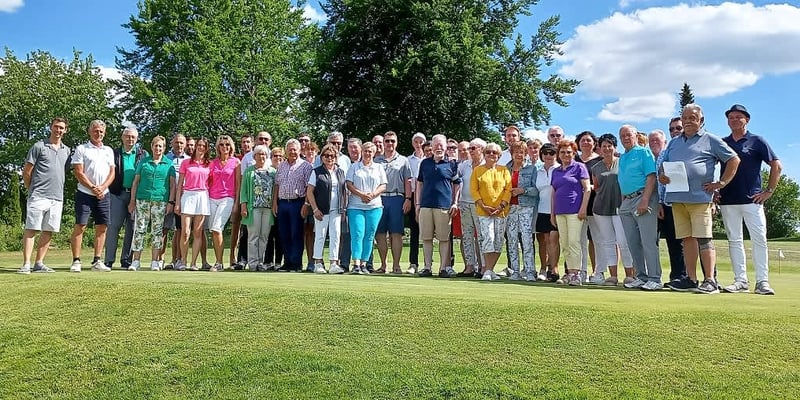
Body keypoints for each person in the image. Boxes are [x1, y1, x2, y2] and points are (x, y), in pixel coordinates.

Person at [659, 104, 740, 294]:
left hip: (700, 198)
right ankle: (691, 279)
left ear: (701, 120)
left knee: (704, 238)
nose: (688, 121)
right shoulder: (674, 142)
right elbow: (665, 165)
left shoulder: (710, 140)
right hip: (678, 198)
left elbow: (734, 159)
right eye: (685, 117)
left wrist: (721, 183)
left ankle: (710, 280)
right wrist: (663, 175)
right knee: (686, 239)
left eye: (692, 117)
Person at [718, 104, 781, 295]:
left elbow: (776, 166)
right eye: (731, 117)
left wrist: (768, 191)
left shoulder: (757, 141)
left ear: (747, 120)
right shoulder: (723, 142)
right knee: (734, 240)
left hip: (753, 200)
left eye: (739, 117)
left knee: (759, 239)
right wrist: (716, 188)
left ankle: (762, 281)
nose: (734, 120)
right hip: (728, 200)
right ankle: (740, 281)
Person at [18, 117, 71, 274]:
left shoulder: (67, 151)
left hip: (57, 197)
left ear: (65, 130)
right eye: (56, 127)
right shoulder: (38, 146)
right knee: (31, 228)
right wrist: (31, 189)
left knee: (48, 230)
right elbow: (27, 171)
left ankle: (39, 263)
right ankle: (26, 263)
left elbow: (63, 171)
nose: (58, 130)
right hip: (38, 195)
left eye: (61, 128)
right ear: (51, 127)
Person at [617, 125, 662, 290]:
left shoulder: (643, 152)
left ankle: (655, 279)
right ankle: (641, 277)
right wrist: (623, 202)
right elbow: (623, 181)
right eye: (622, 136)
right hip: (627, 202)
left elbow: (651, 176)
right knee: (632, 242)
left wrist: (645, 200)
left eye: (629, 135)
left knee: (648, 240)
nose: (626, 138)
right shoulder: (623, 157)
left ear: (635, 136)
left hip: (643, 198)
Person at [69, 120, 115, 272]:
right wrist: (93, 187)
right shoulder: (82, 148)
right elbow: (78, 171)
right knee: (80, 226)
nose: (98, 133)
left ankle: (97, 260)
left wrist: (102, 187)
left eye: (101, 131)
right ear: (89, 131)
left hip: (104, 194)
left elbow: (112, 173)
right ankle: (76, 261)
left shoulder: (108, 150)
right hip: (85, 193)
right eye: (95, 130)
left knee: (102, 227)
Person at [590, 134, 634, 286]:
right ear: (600, 149)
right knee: (608, 242)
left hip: (621, 208)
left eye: (610, 145)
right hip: (601, 209)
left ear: (615, 147)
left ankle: (630, 275)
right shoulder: (595, 168)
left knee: (623, 242)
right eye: (604, 146)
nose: (607, 148)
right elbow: (596, 187)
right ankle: (613, 276)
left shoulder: (623, 163)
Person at [127, 136, 176, 271]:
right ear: (152, 146)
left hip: (160, 200)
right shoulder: (144, 162)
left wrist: (171, 202)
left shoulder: (169, 164)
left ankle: (155, 261)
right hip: (142, 199)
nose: (158, 148)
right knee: (140, 229)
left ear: (164, 148)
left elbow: (172, 185)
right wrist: (132, 200)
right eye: (156, 146)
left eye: (160, 146)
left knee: (157, 231)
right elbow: (136, 182)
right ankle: (136, 261)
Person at [415, 134, 461, 277]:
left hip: (444, 206)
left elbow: (457, 185)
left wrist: (455, 203)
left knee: (443, 238)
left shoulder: (452, 164)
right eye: (436, 145)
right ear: (432, 147)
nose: (438, 148)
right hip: (426, 205)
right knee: (427, 238)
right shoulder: (425, 163)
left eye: (441, 145)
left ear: (446, 147)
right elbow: (419, 184)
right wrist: (417, 203)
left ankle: (443, 268)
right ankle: (427, 267)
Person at [104, 127, 148, 270]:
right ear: (122, 138)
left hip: (136, 196)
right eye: (127, 137)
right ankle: (109, 260)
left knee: (133, 228)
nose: (130, 140)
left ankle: (126, 260)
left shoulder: (143, 154)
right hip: (117, 193)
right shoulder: (114, 153)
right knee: (113, 227)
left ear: (137, 139)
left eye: (133, 137)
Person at [650, 124, 686, 288]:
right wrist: (660, 203)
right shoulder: (656, 158)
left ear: (664, 141)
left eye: (657, 140)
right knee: (672, 242)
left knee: (688, 241)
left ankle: (704, 276)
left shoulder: (673, 153)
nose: (653, 143)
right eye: (651, 140)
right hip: (664, 204)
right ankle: (677, 275)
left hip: (683, 202)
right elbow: (659, 185)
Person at [550, 139, 590, 285]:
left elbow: (587, 189)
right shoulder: (556, 171)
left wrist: (583, 208)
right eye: (562, 152)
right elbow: (553, 193)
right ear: (558, 154)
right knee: (565, 243)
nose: (566, 155)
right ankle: (568, 273)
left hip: (575, 211)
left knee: (574, 241)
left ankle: (576, 274)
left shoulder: (580, 167)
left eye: (569, 152)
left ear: (574, 153)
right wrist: (552, 213)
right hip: (560, 211)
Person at [470, 142, 511, 281]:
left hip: (501, 211)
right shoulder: (477, 170)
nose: (491, 154)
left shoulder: (504, 170)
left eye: (494, 152)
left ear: (499, 155)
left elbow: (508, 190)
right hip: (484, 211)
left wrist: (501, 206)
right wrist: (483, 206)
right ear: (484, 154)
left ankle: (490, 269)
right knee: (488, 238)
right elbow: (474, 190)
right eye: (488, 152)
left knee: (498, 241)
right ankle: (487, 270)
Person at [374, 131, 413, 274]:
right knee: (380, 233)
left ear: (396, 143)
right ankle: (383, 265)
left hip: (397, 197)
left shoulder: (403, 160)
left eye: (392, 141)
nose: (390, 144)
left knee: (396, 233)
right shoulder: (376, 160)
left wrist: (408, 199)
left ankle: (396, 265)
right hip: (379, 198)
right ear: (383, 143)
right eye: (387, 141)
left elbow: (408, 181)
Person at [346, 142, 387, 274]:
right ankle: (356, 264)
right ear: (361, 151)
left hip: (374, 206)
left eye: (370, 151)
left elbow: (383, 185)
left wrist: (373, 194)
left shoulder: (379, 167)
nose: (367, 153)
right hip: (356, 205)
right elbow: (349, 184)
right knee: (357, 233)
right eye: (365, 151)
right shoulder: (354, 167)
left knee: (369, 235)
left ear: (374, 153)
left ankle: (364, 264)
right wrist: (361, 194)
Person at [274, 138, 314, 271]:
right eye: (290, 149)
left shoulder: (306, 166)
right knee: (284, 233)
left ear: (299, 150)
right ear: (286, 151)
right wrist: (275, 203)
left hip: (298, 202)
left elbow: (309, 187)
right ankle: (288, 262)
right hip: (283, 203)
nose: (292, 152)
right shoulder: (281, 166)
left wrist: (306, 204)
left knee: (296, 233)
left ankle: (296, 263)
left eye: (295, 149)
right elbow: (277, 185)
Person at [306, 144, 347, 274]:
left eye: (332, 156)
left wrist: (344, 209)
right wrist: (315, 209)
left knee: (335, 236)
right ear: (322, 157)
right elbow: (309, 192)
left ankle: (334, 263)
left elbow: (344, 191)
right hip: (321, 210)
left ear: (336, 157)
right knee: (320, 236)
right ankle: (318, 263)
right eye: (327, 156)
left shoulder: (340, 172)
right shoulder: (316, 172)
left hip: (337, 209)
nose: (330, 158)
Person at [175, 138, 211, 271]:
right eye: (199, 145)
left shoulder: (209, 164)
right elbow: (180, 185)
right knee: (185, 232)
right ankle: (183, 260)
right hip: (188, 195)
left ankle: (193, 262)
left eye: (203, 146)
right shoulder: (186, 163)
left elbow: (212, 183)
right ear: (195, 147)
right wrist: (177, 202)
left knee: (198, 232)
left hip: (202, 196)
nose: (200, 148)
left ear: (206, 148)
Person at [505, 141, 538, 281]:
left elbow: (536, 190)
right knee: (511, 239)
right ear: (512, 154)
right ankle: (515, 271)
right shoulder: (505, 169)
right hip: (510, 208)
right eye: (516, 152)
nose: (519, 155)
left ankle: (530, 271)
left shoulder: (531, 169)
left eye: (522, 152)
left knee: (526, 239)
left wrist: (522, 191)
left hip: (526, 207)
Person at [240, 144, 276, 272]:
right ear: (254, 156)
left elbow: (275, 190)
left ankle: (261, 261)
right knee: (253, 235)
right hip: (253, 207)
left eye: (264, 154)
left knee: (264, 236)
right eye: (259, 154)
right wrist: (243, 205)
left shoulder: (272, 172)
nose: (262, 156)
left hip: (267, 208)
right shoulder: (249, 171)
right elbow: (243, 190)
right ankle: (252, 262)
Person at [208, 135, 241, 271]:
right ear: (218, 147)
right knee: (213, 230)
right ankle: (218, 260)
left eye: (227, 144)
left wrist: (236, 203)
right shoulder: (212, 163)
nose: (224, 147)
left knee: (217, 227)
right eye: (221, 144)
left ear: (231, 147)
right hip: (212, 198)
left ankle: (219, 262)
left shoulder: (236, 162)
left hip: (228, 197)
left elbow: (238, 184)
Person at [456, 138, 486, 277]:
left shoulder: (487, 165)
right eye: (470, 149)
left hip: (480, 205)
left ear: (481, 149)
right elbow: (456, 181)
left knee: (481, 236)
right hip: (465, 203)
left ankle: (483, 266)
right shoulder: (464, 165)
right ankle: (469, 266)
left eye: (473, 148)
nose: (470, 152)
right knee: (467, 235)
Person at [575, 130, 601, 282]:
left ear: (594, 143)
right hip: (577, 206)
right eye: (583, 140)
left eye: (589, 140)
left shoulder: (600, 159)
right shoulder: (575, 160)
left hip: (596, 204)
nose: (586, 143)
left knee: (597, 240)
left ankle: (598, 272)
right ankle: (582, 271)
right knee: (580, 240)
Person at [162, 134, 189, 269]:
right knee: (164, 229)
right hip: (166, 197)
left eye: (181, 143)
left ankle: (177, 259)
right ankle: (160, 259)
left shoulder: (189, 160)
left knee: (179, 230)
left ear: (185, 144)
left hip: (183, 199)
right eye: (177, 142)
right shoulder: (165, 158)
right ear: (172, 143)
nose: (179, 145)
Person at [535, 143, 560, 281]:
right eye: (545, 153)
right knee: (543, 241)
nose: (548, 156)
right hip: (541, 209)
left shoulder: (559, 169)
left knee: (553, 239)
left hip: (556, 210)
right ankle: (543, 268)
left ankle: (553, 268)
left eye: (552, 153)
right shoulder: (538, 171)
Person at [338, 138, 363, 271]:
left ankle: (365, 264)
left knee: (362, 234)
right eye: (350, 147)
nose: (353, 150)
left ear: (360, 148)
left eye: (355, 147)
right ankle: (344, 263)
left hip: (363, 203)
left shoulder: (366, 163)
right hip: (346, 203)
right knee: (346, 234)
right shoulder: (345, 162)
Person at [406, 132, 426, 274]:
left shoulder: (429, 159)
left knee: (428, 232)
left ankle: (428, 263)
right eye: (416, 142)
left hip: (429, 196)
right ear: (413, 143)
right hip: (413, 196)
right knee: (415, 230)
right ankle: (413, 263)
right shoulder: (408, 160)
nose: (419, 144)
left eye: (421, 142)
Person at [264, 146, 284, 269]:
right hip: (267, 206)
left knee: (280, 234)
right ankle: (268, 261)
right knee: (269, 235)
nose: (277, 158)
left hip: (282, 205)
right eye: (275, 156)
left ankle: (278, 262)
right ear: (271, 158)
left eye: (280, 156)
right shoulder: (267, 171)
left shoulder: (285, 170)